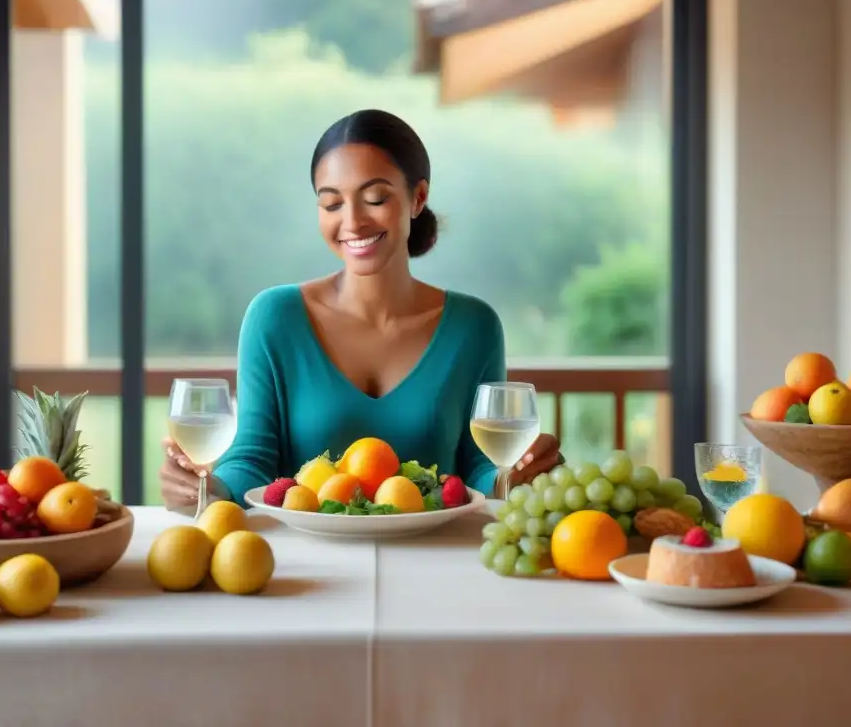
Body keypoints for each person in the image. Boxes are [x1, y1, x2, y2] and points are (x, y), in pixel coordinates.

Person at [160, 109, 562, 510]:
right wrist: (209, 488)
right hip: (301, 564)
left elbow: (478, 468)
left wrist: (515, 473)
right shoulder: (274, 318)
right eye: (331, 203)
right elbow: (251, 460)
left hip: (436, 556)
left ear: (417, 197)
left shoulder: (474, 327)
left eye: (375, 198)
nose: (352, 221)